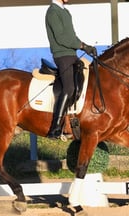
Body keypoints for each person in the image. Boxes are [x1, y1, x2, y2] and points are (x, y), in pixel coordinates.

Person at [45, 0, 96, 139]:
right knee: (69, 88)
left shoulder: (65, 11)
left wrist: (85, 45)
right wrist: (82, 46)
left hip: (72, 55)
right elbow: (61, 38)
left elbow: (71, 36)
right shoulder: (52, 12)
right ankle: (55, 127)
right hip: (62, 55)